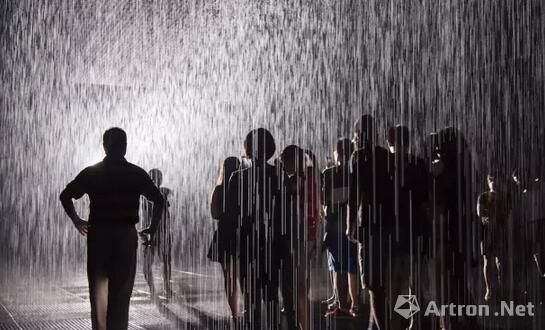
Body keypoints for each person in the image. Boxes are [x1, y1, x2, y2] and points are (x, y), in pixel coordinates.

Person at [59, 127, 164, 330]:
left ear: (105, 146)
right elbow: (158, 200)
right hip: (125, 235)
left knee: (98, 293)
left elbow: (65, 195)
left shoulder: (92, 173)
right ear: (125, 147)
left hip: (99, 235)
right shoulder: (136, 173)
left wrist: (76, 220)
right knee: (121, 295)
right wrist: (151, 228)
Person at [226, 128, 281, 329]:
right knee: (272, 296)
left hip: (247, 243)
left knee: (251, 298)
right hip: (272, 242)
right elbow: (284, 212)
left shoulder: (238, 178)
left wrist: (230, 248)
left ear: (248, 149)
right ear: (271, 149)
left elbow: (231, 218)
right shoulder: (278, 175)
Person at [322, 138, 359, 318]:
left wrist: (336, 202)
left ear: (337, 153)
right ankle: (355, 305)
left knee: (338, 266)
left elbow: (325, 200)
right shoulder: (355, 172)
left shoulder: (329, 173)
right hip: (353, 224)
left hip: (336, 225)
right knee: (353, 266)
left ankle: (342, 306)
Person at [279, 145, 314, 330]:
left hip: (298, 237)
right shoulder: (306, 178)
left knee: (299, 286)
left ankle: (407, 320)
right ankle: (407, 321)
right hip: (298, 237)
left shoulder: (300, 180)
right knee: (404, 284)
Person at [207, 157, 241, 320]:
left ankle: (235, 314)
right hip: (243, 233)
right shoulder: (245, 187)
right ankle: (248, 309)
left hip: (225, 234)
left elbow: (214, 214)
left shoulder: (219, 189)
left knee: (229, 278)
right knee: (245, 275)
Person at [477, 170, 512, 302]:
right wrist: (494, 213)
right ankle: (489, 289)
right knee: (487, 260)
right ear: (489, 182)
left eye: (496, 179)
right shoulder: (483, 196)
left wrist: (492, 213)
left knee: (501, 260)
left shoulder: (505, 196)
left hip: (500, 230)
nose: (495, 182)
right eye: (492, 180)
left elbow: (507, 212)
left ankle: (502, 288)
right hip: (487, 232)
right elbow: (480, 213)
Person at [141, 168, 173, 300]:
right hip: (155, 232)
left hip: (157, 232)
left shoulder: (148, 193)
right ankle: (161, 289)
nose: (157, 181)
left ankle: (160, 289)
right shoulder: (154, 193)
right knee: (162, 262)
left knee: (160, 262)